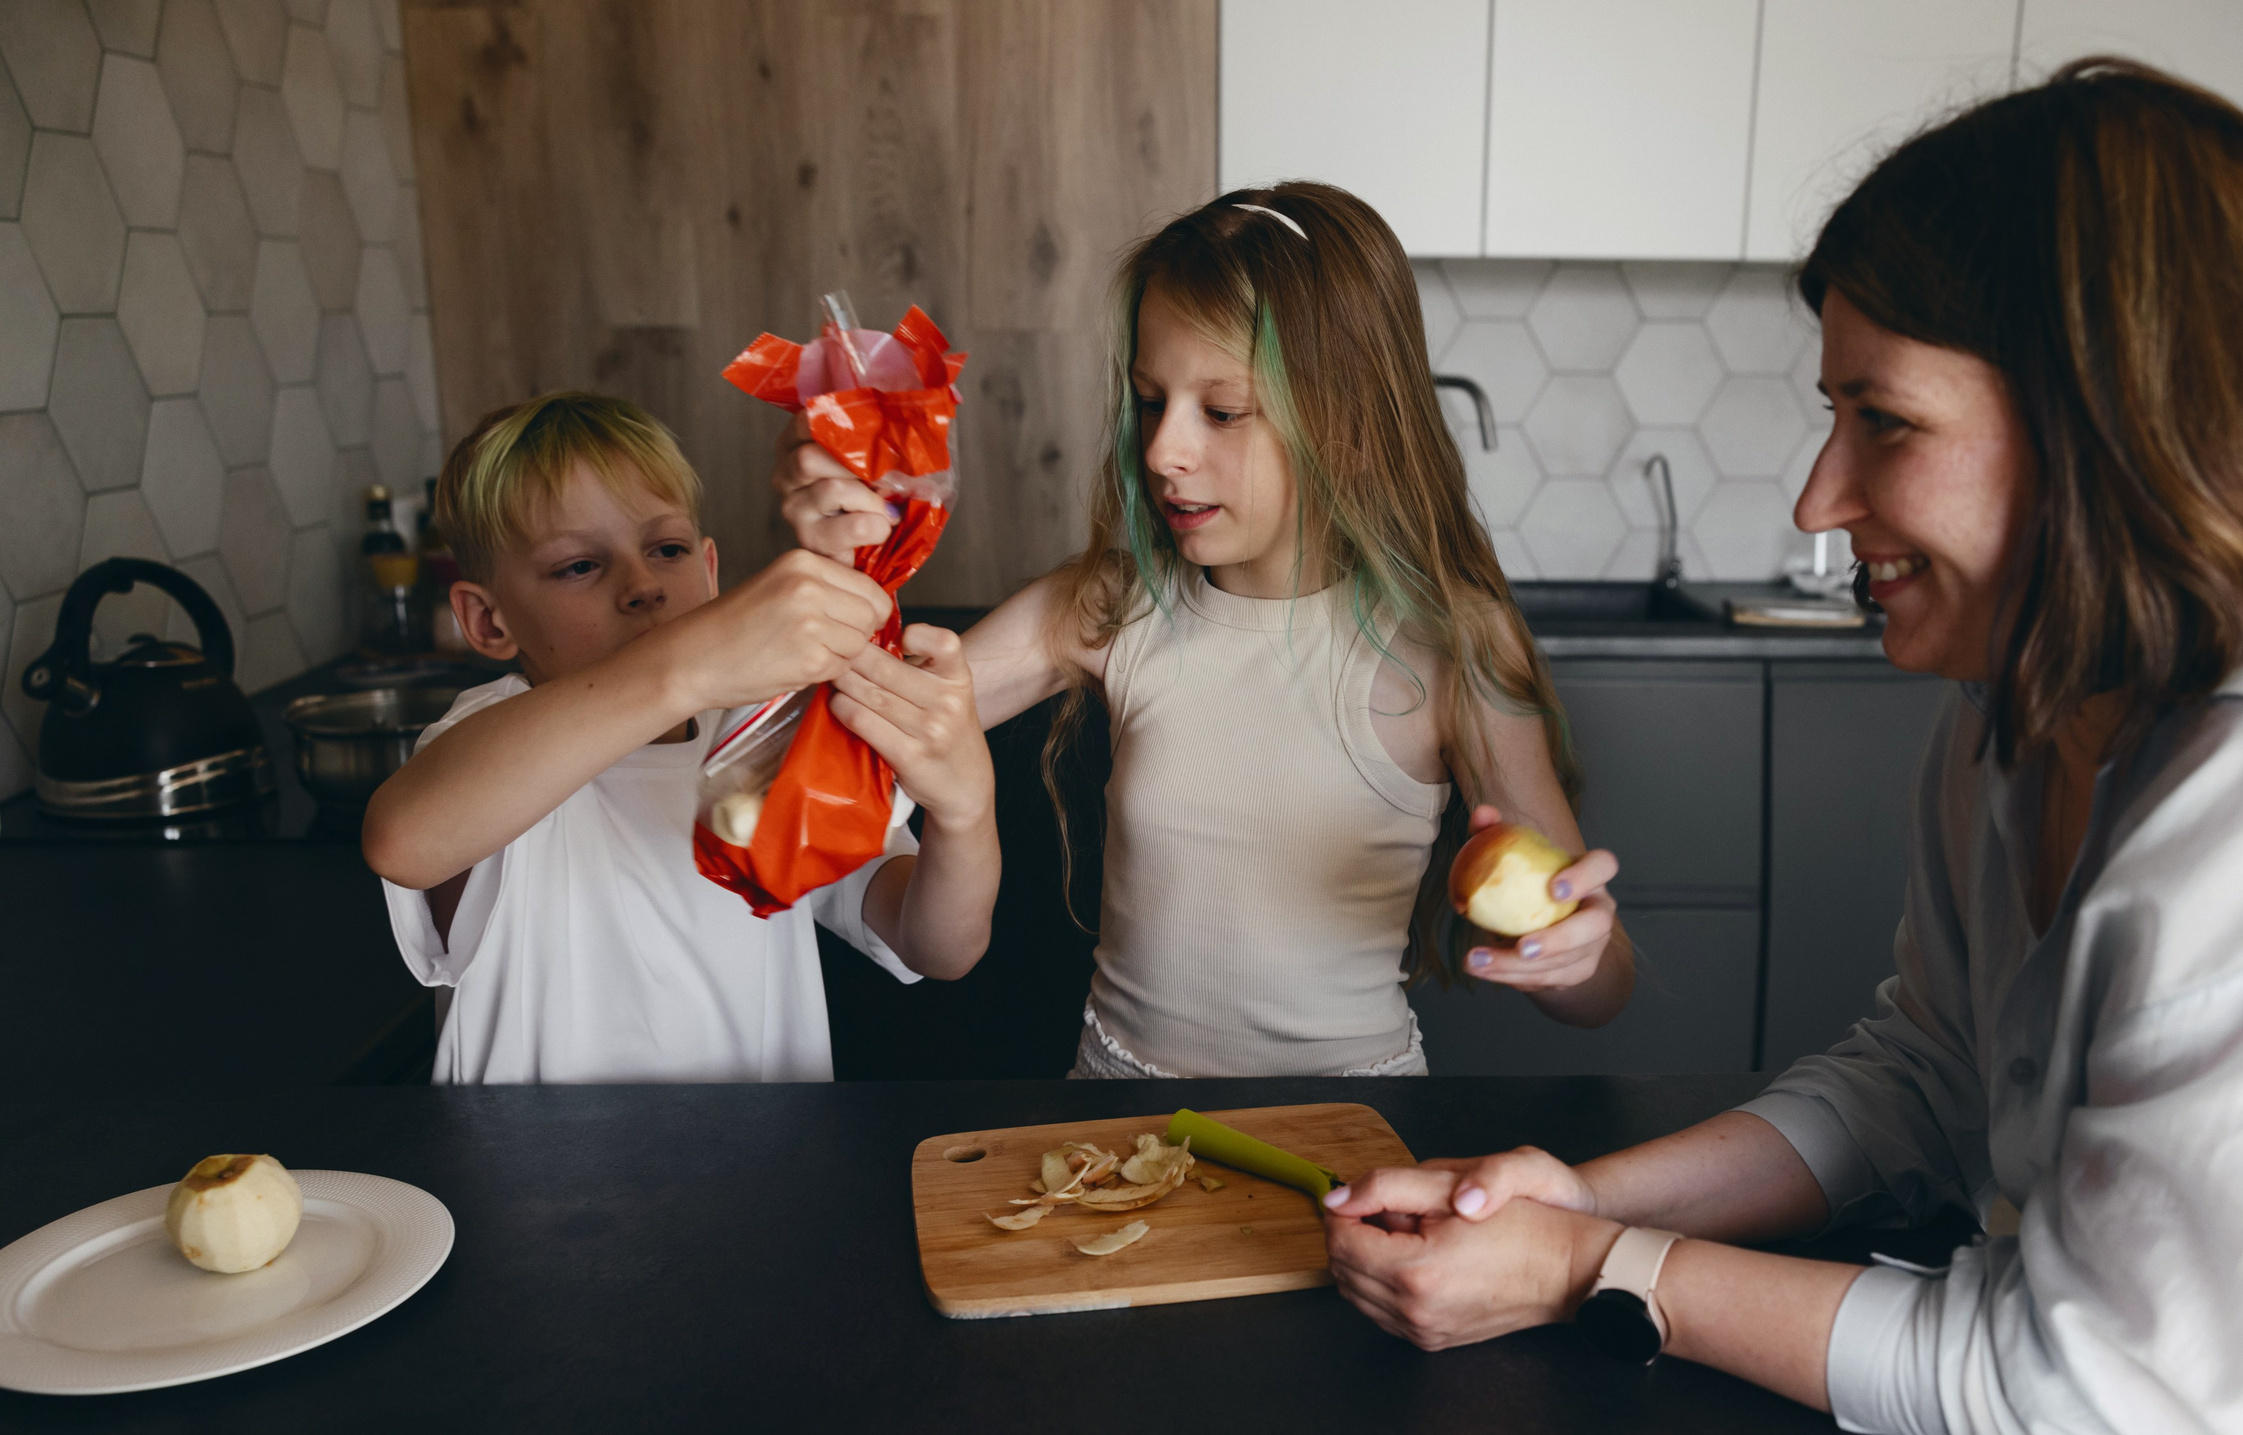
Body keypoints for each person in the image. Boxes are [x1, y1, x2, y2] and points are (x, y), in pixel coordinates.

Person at [1321, 62, 2243, 1435]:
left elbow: (2091, 1395)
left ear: (2108, 420)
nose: (1819, 503)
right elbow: (1926, 1069)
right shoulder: (2016, 721)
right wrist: (1578, 1195)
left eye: (1883, 421)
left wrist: (1591, 1273)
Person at [774, 184, 1634, 1077]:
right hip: (1116, 1129)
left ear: (1349, 428)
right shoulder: (1110, 606)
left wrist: (1566, 957)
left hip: (1352, 1135)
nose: (1161, 451)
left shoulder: (1455, 647)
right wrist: (847, 556)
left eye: (1221, 412)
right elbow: (850, 730)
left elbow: (1602, 992)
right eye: (1152, 401)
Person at [364, 391, 1000, 1084]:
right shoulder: (486, 735)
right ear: (487, 621)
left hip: (763, 1175)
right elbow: (404, 842)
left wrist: (966, 813)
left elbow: (938, 945)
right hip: (530, 1184)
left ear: (710, 570)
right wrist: (686, 667)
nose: (642, 586)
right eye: (580, 566)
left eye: (666, 550)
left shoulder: (769, 739)